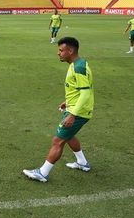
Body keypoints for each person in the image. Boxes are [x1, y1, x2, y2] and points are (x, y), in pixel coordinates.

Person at [23, 37, 94, 182]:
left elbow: (86, 93)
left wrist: (73, 114)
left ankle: (43, 173)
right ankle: (82, 163)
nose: (58, 53)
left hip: (79, 112)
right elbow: (78, 89)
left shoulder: (78, 67)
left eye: (61, 50)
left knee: (58, 140)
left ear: (71, 50)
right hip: (75, 108)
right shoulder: (77, 64)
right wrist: (67, 102)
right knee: (68, 136)